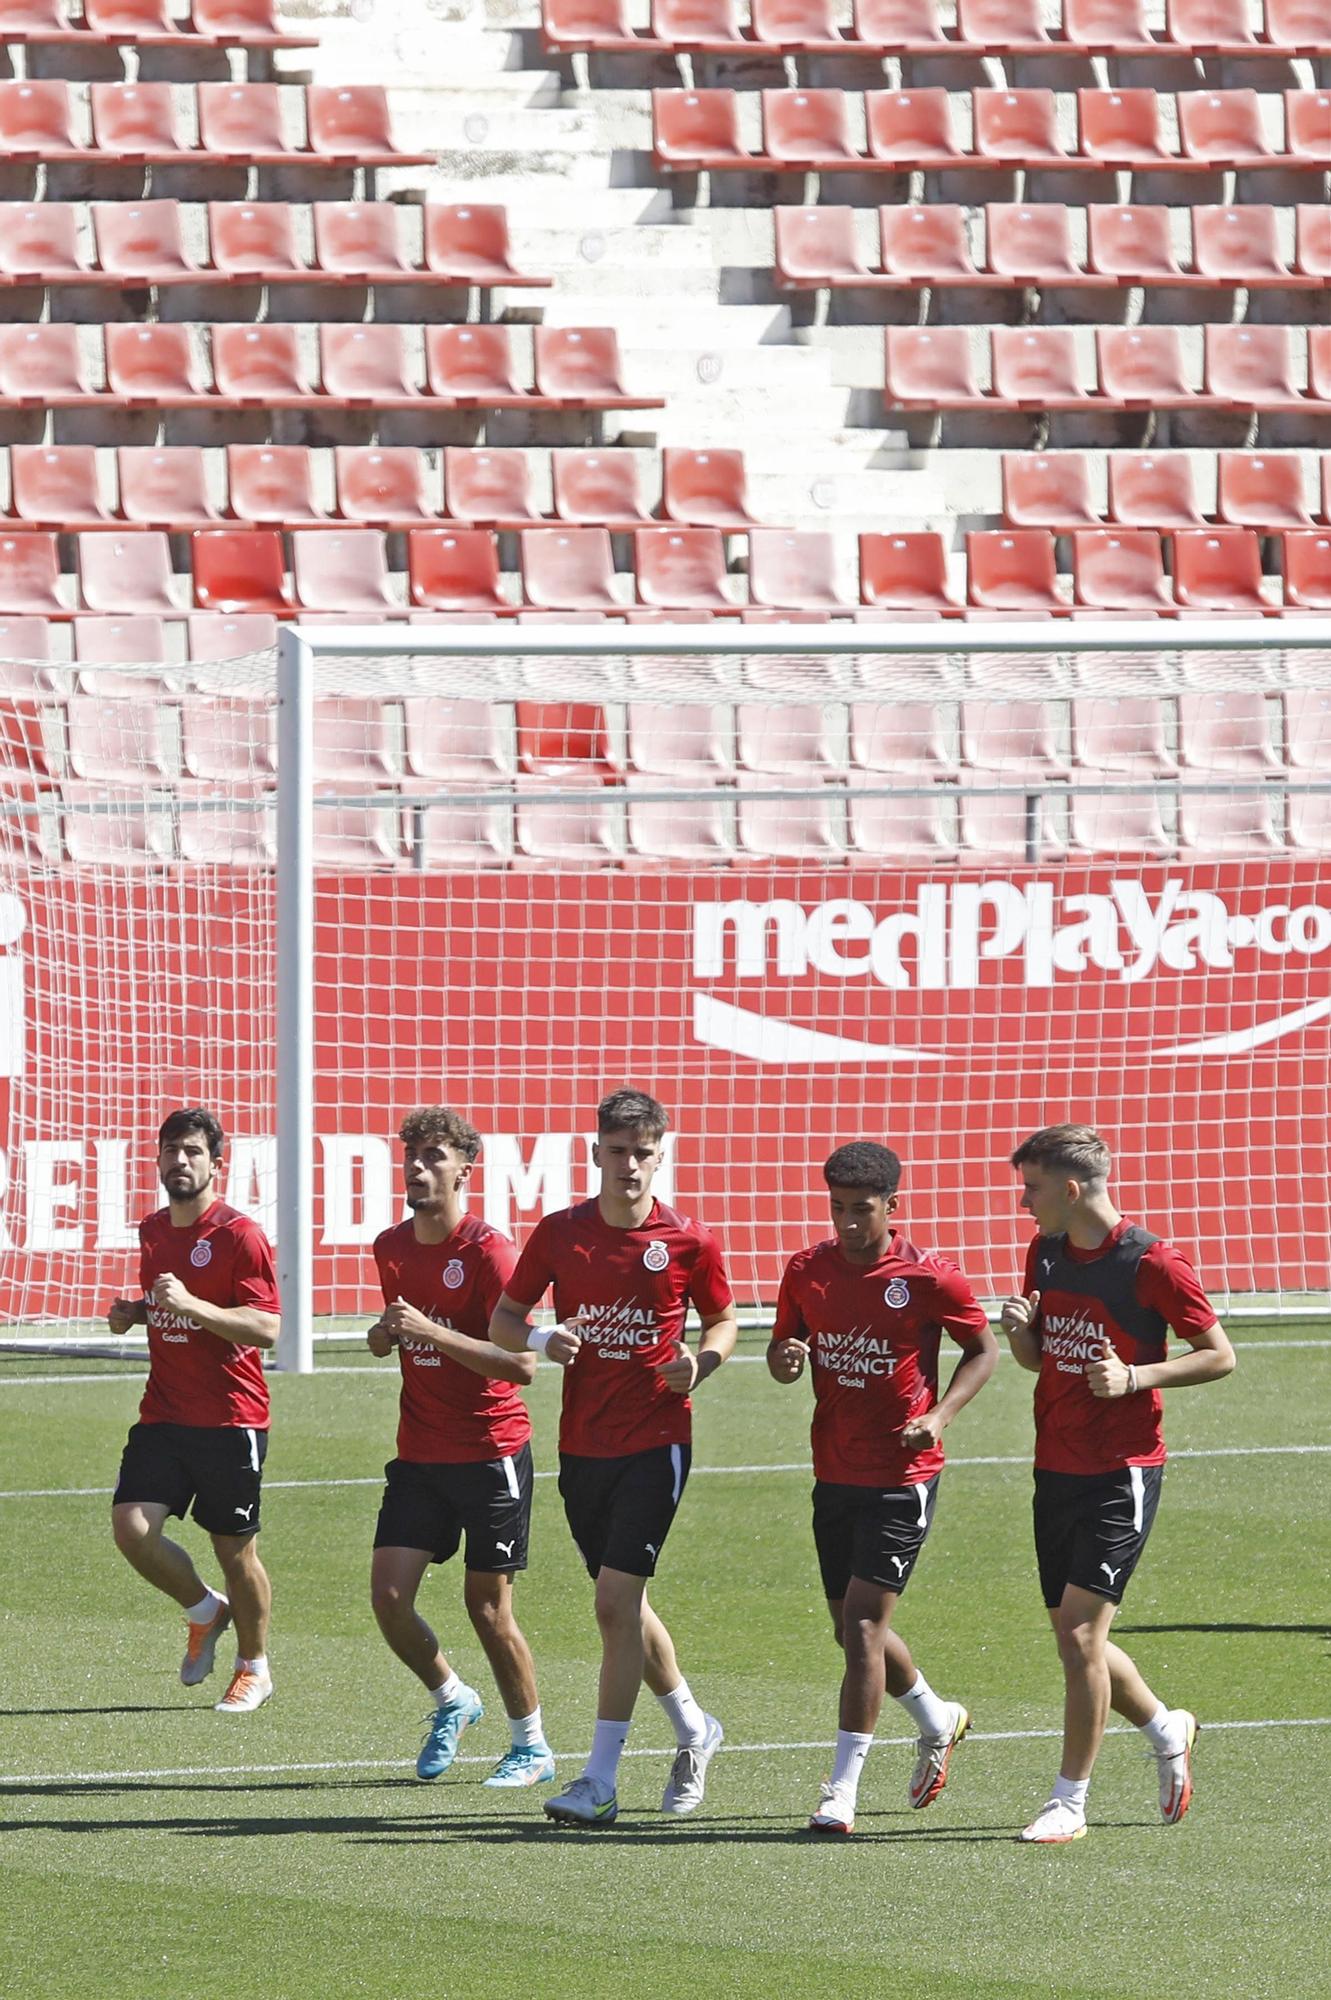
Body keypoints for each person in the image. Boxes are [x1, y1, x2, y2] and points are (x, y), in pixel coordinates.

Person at [490, 1088, 738, 1827]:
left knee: (611, 1604)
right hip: (582, 1446)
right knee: (624, 1605)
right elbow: (505, 1318)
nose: (630, 1164)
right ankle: (695, 1729)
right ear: (596, 1153)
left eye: (643, 1152)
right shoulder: (561, 1233)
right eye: (618, 1150)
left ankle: (598, 1780)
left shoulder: (689, 1239)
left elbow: (723, 1320)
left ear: (661, 1155)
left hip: (657, 1442)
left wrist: (703, 1363)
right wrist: (540, 1340)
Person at [1001, 1123, 1236, 1845]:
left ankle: (1068, 1800)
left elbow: (1218, 1355)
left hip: (1120, 1472)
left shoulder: (1151, 1263)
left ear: (1069, 1191)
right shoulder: (1044, 1251)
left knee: (1077, 1636)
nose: (1021, 1203)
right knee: (1078, 1643)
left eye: (1031, 1189)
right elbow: (1042, 1360)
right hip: (1054, 1466)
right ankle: (1167, 1728)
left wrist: (1136, 1376)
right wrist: (1019, 1335)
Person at [768, 1141, 998, 1835]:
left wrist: (939, 1415)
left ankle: (839, 1789)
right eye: (836, 1208)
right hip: (833, 1471)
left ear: (891, 1207)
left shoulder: (928, 1277)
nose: (845, 1223)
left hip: (902, 1477)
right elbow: (785, 1359)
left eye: (860, 1210)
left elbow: (981, 1350)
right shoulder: (805, 1270)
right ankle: (936, 1716)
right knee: (850, 1629)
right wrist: (784, 1359)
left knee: (864, 1623)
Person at [368, 1107, 554, 1789]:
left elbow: (522, 1367)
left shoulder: (489, 1252)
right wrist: (385, 1336)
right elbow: (398, 1330)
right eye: (411, 1156)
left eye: (433, 1157)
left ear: (464, 1171)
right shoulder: (390, 1247)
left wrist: (431, 1333)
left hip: (489, 1453)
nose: (418, 1168)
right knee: (388, 1597)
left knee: (486, 1607)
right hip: (419, 1454)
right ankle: (452, 1697)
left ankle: (531, 1744)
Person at [106, 1107, 281, 1714]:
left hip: (231, 1419)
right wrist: (136, 1311)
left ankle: (254, 1667)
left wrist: (192, 1303)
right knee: (131, 1527)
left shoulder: (240, 1235)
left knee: (235, 1552)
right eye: (171, 1151)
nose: (180, 1161)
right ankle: (206, 1611)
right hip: (164, 1413)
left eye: (192, 1152)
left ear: (216, 1164)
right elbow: (170, 1309)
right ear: (157, 1160)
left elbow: (265, 1326)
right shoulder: (153, 1230)